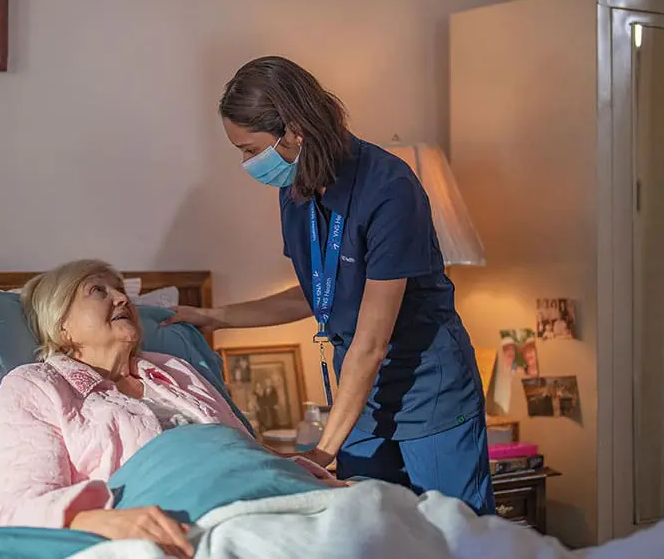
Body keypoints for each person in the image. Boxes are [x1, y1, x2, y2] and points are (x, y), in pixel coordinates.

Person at [166, 56, 495, 516]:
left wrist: (322, 451)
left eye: (248, 149)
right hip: (359, 396)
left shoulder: (389, 189)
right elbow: (314, 292)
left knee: (455, 534)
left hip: (428, 390)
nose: (246, 163)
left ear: (295, 130)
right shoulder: (298, 189)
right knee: (374, 530)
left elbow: (372, 339)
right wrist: (215, 317)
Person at [0, 259, 337, 558]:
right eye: (98, 291)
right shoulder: (35, 385)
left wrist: (313, 478)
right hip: (177, 524)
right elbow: (19, 508)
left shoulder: (174, 369)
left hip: (252, 496)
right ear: (61, 324)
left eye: (119, 290)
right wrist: (105, 522)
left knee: (374, 504)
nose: (122, 298)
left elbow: (244, 451)